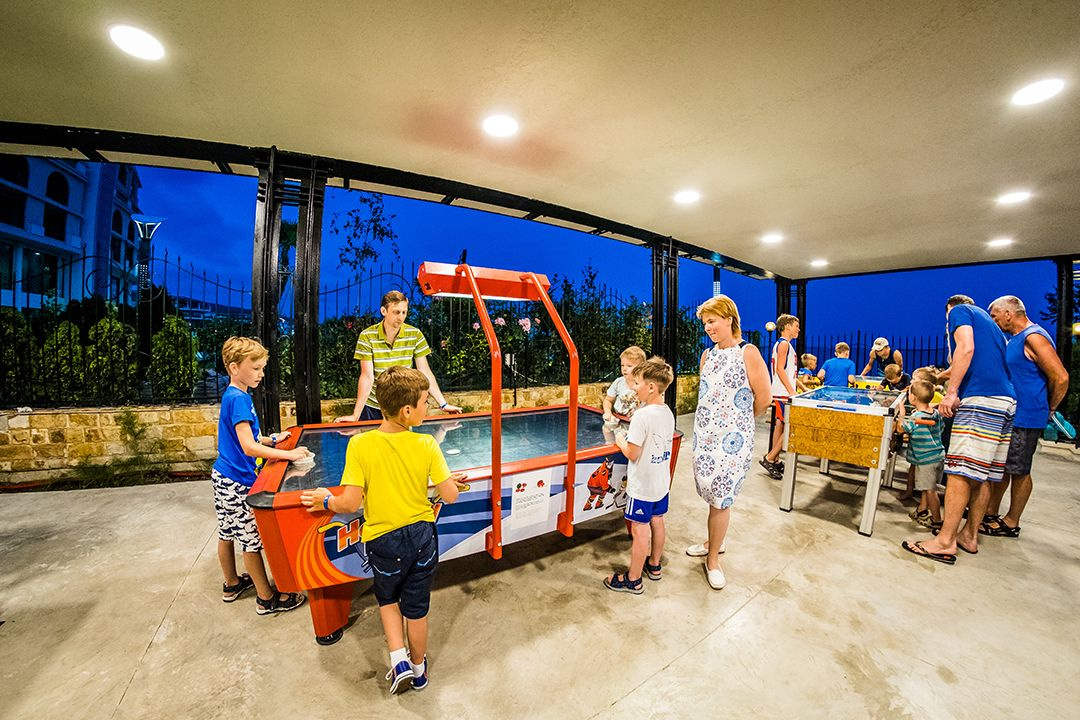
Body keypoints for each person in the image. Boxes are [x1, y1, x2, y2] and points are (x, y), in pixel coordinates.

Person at [301, 366, 467, 694]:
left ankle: (398, 659)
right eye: (425, 402)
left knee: (388, 598)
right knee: (416, 608)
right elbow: (449, 495)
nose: (428, 407)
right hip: (421, 538)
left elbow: (350, 502)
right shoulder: (426, 444)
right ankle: (419, 670)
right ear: (407, 410)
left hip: (382, 540)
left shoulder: (361, 445)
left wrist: (325, 500)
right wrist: (445, 482)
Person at [902, 295, 1015, 564]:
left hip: (980, 399)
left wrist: (952, 392)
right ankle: (969, 536)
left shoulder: (960, 311)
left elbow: (965, 348)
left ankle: (944, 541)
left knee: (959, 471)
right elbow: (972, 360)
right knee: (982, 475)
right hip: (1004, 401)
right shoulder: (992, 328)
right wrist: (938, 377)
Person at [212, 336, 309, 614]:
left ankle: (232, 583)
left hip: (222, 477)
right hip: (238, 481)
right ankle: (266, 598)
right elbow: (248, 446)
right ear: (234, 368)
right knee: (251, 541)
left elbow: (247, 437)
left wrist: (271, 439)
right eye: (255, 368)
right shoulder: (240, 400)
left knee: (226, 531)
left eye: (262, 368)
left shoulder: (233, 395)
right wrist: (289, 454)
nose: (261, 374)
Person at [686, 296, 772, 590]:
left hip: (733, 442)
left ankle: (712, 560)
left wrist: (739, 424)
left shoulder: (748, 352)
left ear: (729, 319)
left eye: (712, 321)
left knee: (720, 498)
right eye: (705, 323)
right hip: (705, 438)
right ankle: (714, 541)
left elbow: (764, 399)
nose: (707, 328)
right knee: (710, 494)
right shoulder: (707, 356)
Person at [981, 295, 1069, 538]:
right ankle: (990, 511)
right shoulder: (1015, 339)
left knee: (1019, 469)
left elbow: (1061, 377)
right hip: (1013, 414)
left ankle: (1011, 521)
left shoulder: (1034, 336)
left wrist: (1050, 408)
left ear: (1008, 314)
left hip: (1027, 415)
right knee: (1004, 467)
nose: (994, 321)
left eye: (995, 316)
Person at [603, 357, 676, 595]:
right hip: (660, 484)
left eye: (637, 383)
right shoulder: (667, 412)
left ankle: (633, 579)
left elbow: (632, 453)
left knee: (639, 530)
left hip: (642, 487)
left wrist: (619, 439)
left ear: (651, 387)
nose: (634, 388)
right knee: (658, 521)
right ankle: (654, 565)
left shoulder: (641, 417)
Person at [337, 290, 461, 422]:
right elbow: (367, 377)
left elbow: (424, 371)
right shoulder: (367, 336)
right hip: (374, 406)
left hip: (401, 406)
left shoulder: (415, 334)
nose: (401, 317)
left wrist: (443, 404)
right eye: (396, 312)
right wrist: (356, 415)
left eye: (404, 312)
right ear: (384, 311)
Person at [898, 381, 944, 529]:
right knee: (927, 487)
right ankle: (922, 510)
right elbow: (941, 428)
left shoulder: (916, 416)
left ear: (914, 398)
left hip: (926, 460)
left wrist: (902, 414)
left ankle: (937, 521)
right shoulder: (935, 413)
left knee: (930, 491)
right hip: (937, 456)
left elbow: (901, 429)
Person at [760, 314, 799, 479]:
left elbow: (788, 372)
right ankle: (770, 458)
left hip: (781, 391)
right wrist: (791, 391)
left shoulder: (782, 344)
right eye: (796, 326)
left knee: (780, 425)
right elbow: (780, 370)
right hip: (783, 393)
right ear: (788, 326)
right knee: (790, 427)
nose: (798, 329)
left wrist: (800, 387)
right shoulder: (784, 345)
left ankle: (775, 459)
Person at [602, 345, 647, 422]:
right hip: (618, 419)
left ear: (640, 367)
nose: (624, 369)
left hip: (637, 422)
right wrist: (608, 412)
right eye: (622, 365)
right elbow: (608, 400)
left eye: (629, 366)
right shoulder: (618, 382)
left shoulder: (646, 384)